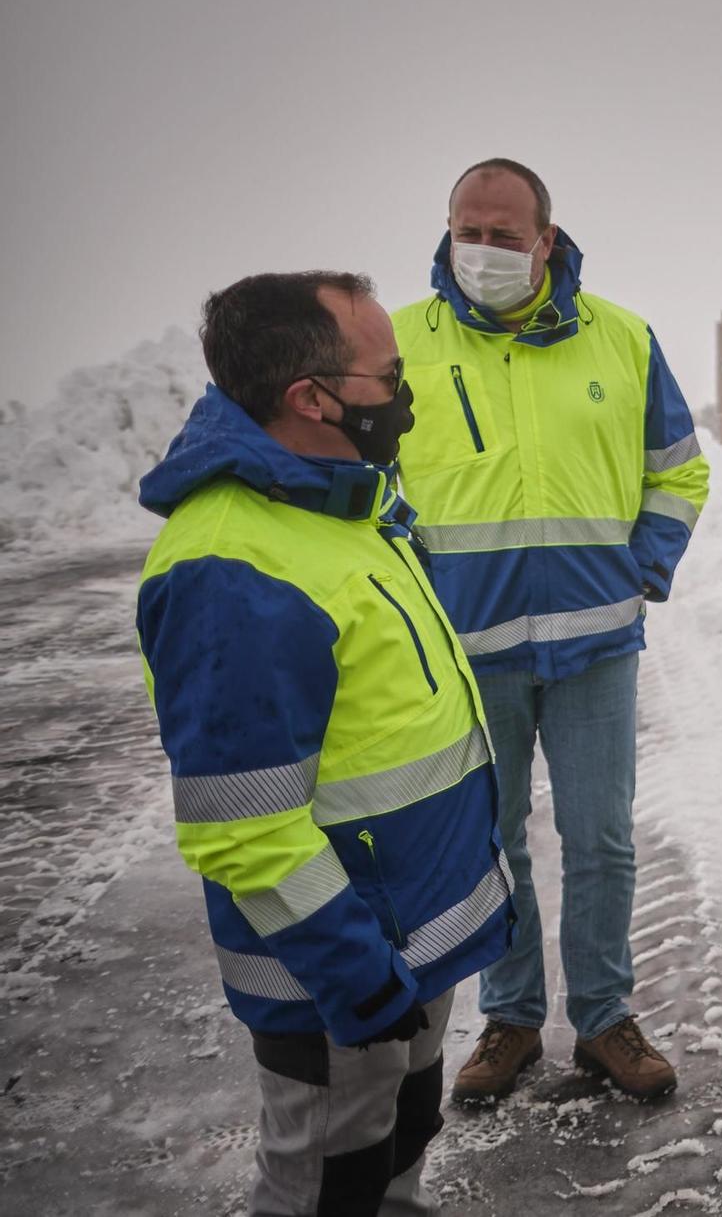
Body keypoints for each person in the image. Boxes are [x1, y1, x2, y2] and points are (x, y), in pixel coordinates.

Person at [136, 271, 512, 1215]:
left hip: (401, 951)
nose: (407, 392)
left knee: (397, 1145)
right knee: (324, 1186)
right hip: (339, 977)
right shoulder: (234, 567)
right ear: (312, 398)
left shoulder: (338, 502)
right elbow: (244, 828)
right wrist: (356, 977)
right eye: (389, 374)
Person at [390, 159, 709, 1104]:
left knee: (601, 837)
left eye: (502, 234)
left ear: (545, 241)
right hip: (468, 649)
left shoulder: (622, 338)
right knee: (491, 839)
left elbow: (679, 470)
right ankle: (512, 1018)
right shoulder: (403, 344)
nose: (481, 249)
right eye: (467, 229)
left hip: (595, 645)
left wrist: (644, 564)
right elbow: (367, 490)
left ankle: (605, 1018)